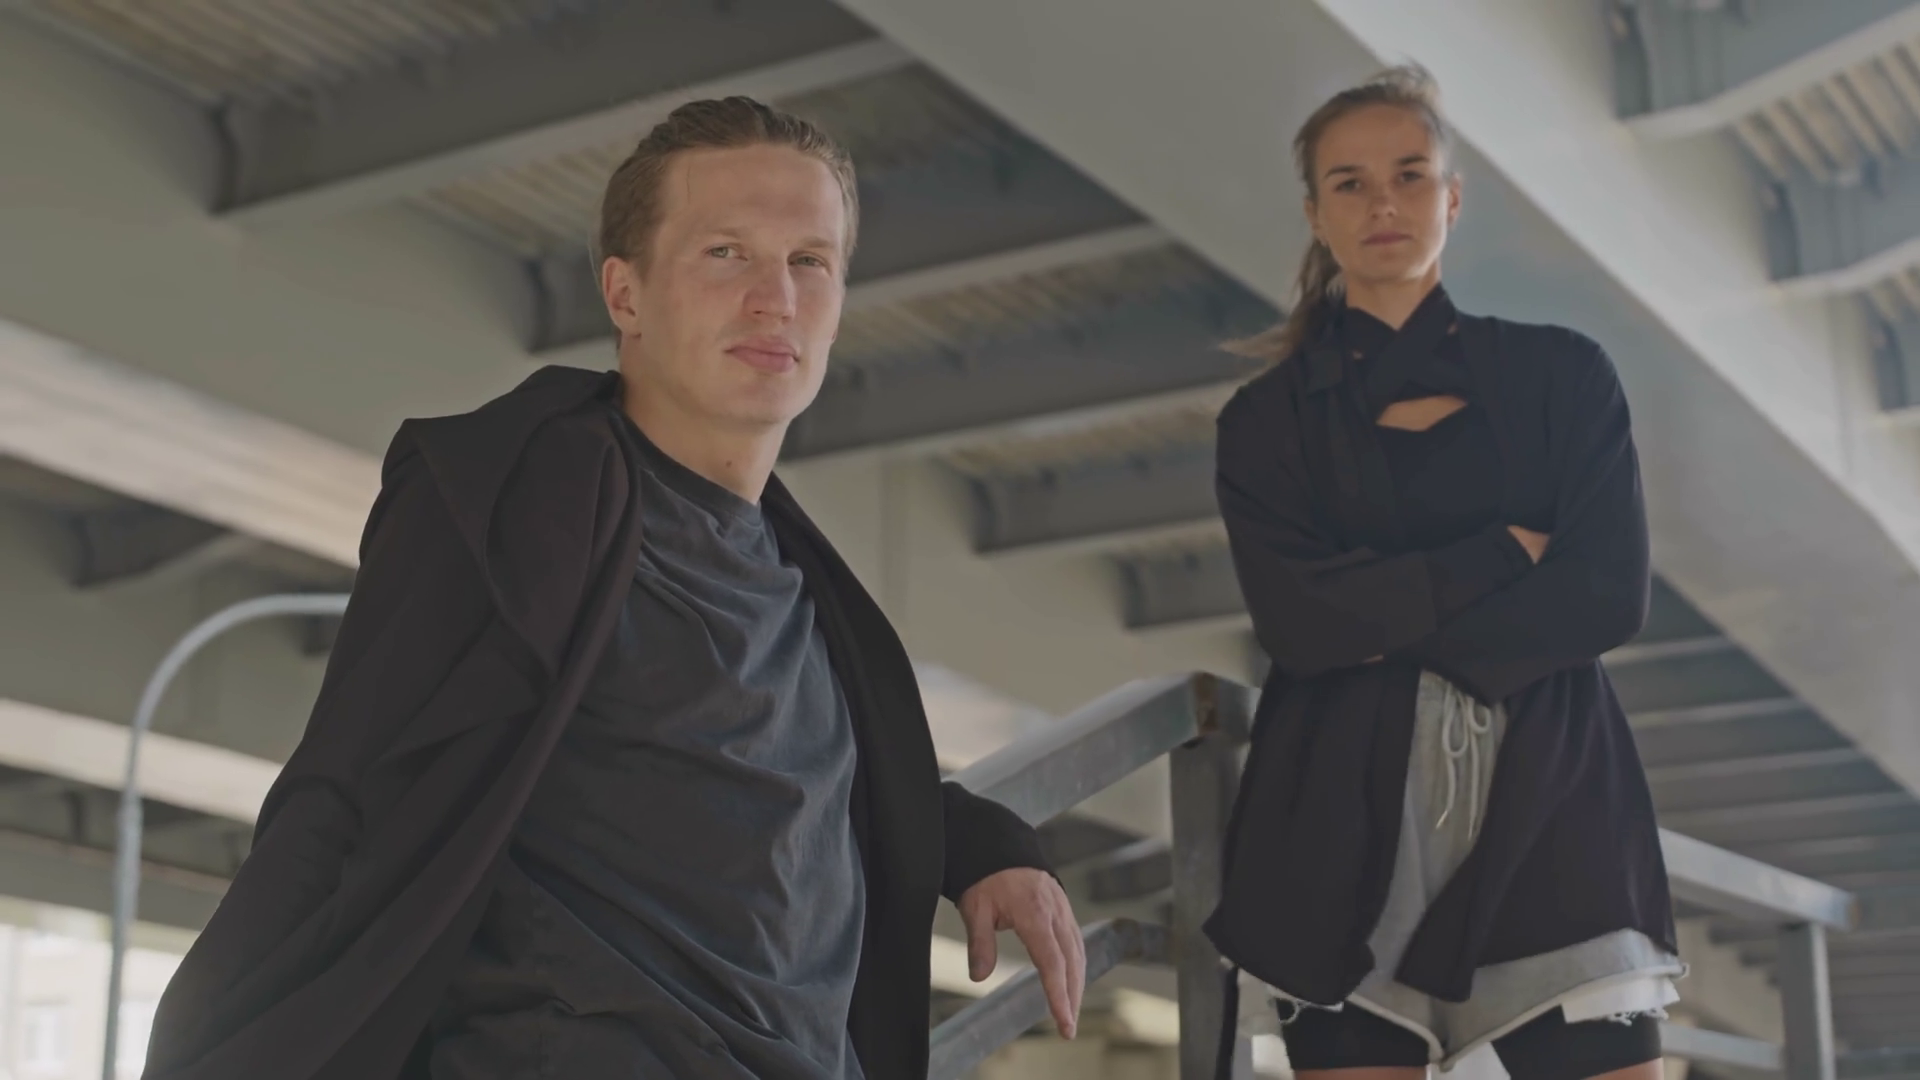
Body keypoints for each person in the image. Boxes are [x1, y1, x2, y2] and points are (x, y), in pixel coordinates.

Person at [142, 97, 1085, 1080]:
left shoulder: (809, 595)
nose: (776, 298)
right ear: (625, 295)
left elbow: (784, 783)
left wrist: (976, 838)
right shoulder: (520, 509)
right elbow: (348, 794)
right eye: (726, 253)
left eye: (810, 261)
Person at [1202, 67, 1681, 1080]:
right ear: (1315, 214)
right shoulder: (1265, 421)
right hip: (1335, 819)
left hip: (1555, 796)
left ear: (1452, 198)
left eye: (1410, 175)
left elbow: (1607, 590)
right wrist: (1504, 553)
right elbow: (1300, 625)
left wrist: (1379, 618)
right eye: (1351, 183)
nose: (1383, 202)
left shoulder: (1564, 375)